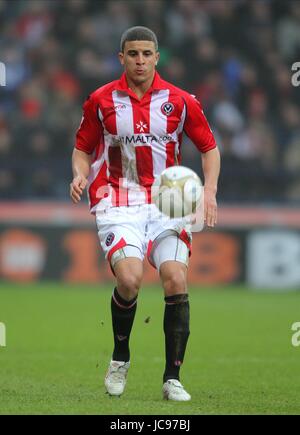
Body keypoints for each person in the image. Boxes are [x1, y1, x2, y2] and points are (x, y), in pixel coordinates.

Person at [70, 26, 220, 401]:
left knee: (175, 279)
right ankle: (120, 357)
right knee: (130, 280)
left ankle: (173, 378)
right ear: (122, 57)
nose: (140, 61)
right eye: (132, 54)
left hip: (168, 202)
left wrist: (210, 192)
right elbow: (82, 148)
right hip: (118, 200)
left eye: (146, 54)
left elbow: (209, 148)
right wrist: (79, 174)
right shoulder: (101, 100)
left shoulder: (181, 101)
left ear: (157, 57)